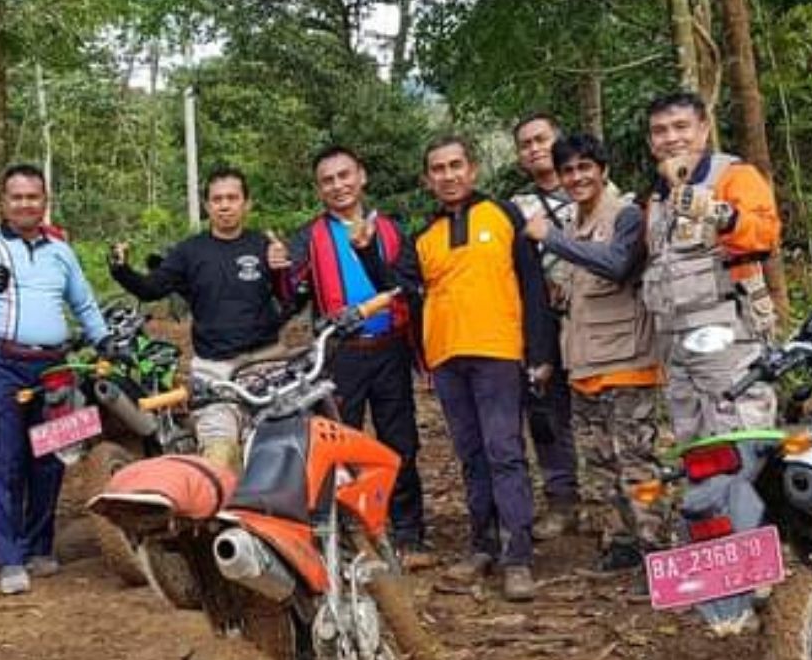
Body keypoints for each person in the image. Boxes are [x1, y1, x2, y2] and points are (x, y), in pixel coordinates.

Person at [397, 136, 555, 601]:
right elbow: (404, 290)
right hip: (447, 357)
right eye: (438, 169)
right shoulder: (424, 235)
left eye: (456, 165)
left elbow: (532, 285)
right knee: (470, 454)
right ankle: (482, 545)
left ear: (474, 169)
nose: (448, 176)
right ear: (427, 180)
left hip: (499, 351)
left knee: (504, 450)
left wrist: (540, 352)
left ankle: (518, 556)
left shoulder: (505, 216)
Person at [0, 164, 109, 596]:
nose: (24, 204)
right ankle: (10, 558)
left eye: (32, 197)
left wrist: (106, 342)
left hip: (54, 366)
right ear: (3, 201)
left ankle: (40, 546)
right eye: (16, 197)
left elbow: (85, 302)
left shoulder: (60, 251)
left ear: (44, 200)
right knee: (6, 460)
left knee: (52, 459)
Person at [274, 145, 428, 567]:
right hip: (342, 354)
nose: (339, 186)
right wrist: (277, 270)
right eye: (328, 180)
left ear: (362, 177)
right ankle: (345, 530)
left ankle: (409, 531)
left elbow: (411, 288)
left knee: (401, 439)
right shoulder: (309, 237)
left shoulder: (393, 231)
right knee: (342, 441)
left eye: (345, 176)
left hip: (390, 350)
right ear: (319, 190)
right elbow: (289, 295)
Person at [525, 133, 663, 571]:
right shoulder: (573, 224)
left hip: (626, 360)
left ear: (602, 170)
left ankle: (655, 548)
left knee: (637, 461)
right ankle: (619, 541)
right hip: (583, 362)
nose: (576, 177)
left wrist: (551, 239)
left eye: (585, 167)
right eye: (568, 170)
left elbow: (617, 265)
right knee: (600, 461)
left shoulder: (624, 215)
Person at [109, 166, 286, 469]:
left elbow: (291, 298)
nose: (225, 205)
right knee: (219, 455)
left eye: (232, 197)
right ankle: (222, 513)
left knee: (278, 451)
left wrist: (285, 268)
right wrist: (121, 269)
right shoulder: (189, 251)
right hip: (214, 369)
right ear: (207, 206)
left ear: (247, 203)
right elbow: (152, 289)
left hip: (267, 361)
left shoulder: (264, 246)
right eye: (217, 199)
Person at [643, 91, 780, 442]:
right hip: (674, 345)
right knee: (694, 442)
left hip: (728, 336)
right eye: (660, 130)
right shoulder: (656, 198)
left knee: (741, 436)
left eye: (681, 126)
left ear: (704, 129)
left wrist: (719, 213)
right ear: (650, 141)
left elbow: (766, 235)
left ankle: (758, 497)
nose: (671, 138)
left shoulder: (733, 175)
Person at [510, 113, 581, 542]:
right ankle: (563, 500)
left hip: (596, 321)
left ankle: (621, 509)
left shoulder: (595, 189)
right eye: (526, 144)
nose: (535, 148)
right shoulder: (517, 208)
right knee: (547, 414)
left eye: (542, 139)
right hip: (543, 323)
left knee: (603, 415)